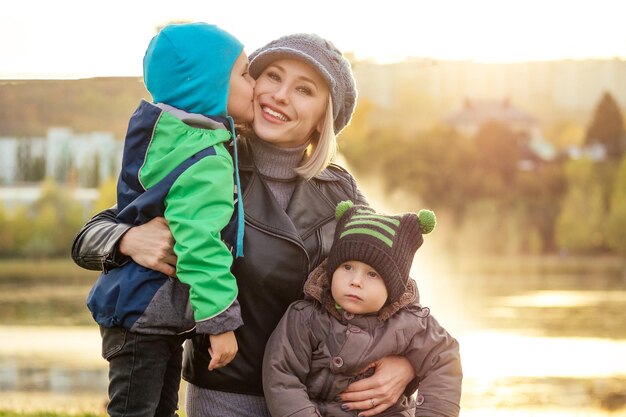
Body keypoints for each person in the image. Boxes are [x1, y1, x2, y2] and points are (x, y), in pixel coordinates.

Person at [72, 33, 453, 417]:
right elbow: (90, 236)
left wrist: (407, 367)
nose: (280, 95)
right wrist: (127, 239)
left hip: (319, 400)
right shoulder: (207, 162)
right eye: (272, 76)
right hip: (226, 395)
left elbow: (397, 290)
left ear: (325, 116)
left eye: (303, 89)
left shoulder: (341, 191)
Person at [83, 22, 255, 417]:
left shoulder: (165, 139)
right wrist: (220, 322)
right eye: (244, 73)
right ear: (209, 83)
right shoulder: (206, 161)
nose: (255, 83)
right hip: (147, 314)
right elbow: (200, 243)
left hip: (145, 313)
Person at [262, 201, 462, 417]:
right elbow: (282, 376)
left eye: (372, 274)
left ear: (393, 287)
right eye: (347, 267)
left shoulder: (411, 323)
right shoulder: (306, 317)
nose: (356, 281)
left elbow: (444, 361)